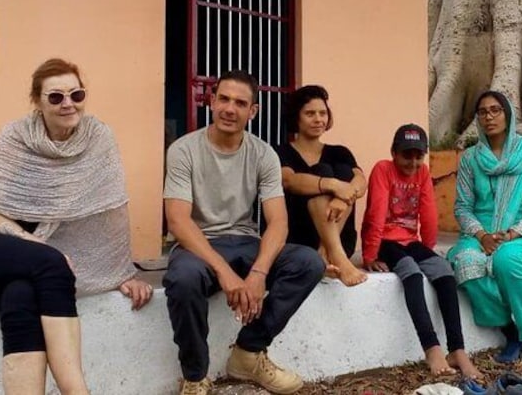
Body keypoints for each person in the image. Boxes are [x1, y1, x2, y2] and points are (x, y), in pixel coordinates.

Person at [0, 58, 152, 395]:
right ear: (37, 102)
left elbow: (108, 212)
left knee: (21, 296)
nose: (68, 103)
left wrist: (120, 271)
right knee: (51, 262)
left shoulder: (98, 138)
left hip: (27, 267)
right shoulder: (16, 137)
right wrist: (31, 243)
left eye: (76, 94)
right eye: (55, 97)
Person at [163, 70, 324, 395]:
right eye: (223, 99)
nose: (229, 109)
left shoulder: (263, 154)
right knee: (182, 279)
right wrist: (225, 273)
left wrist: (259, 272)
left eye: (240, 103)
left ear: (253, 111)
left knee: (308, 262)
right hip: (198, 245)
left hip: (245, 243)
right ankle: (195, 377)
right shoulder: (183, 150)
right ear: (211, 101)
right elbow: (179, 221)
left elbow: (278, 222)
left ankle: (248, 353)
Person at [362, 124, 482, 380]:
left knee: (443, 272)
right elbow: (376, 213)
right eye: (407, 155)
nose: (413, 162)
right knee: (411, 273)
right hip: (384, 239)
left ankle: (457, 350)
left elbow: (428, 211)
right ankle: (432, 349)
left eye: (419, 155)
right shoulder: (383, 169)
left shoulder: (423, 172)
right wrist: (370, 254)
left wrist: (428, 249)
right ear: (394, 153)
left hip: (409, 240)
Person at [446, 91, 522, 363]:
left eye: (496, 110)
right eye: (483, 112)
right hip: (480, 235)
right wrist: (482, 235)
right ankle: (512, 332)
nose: (489, 117)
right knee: (466, 261)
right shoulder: (471, 159)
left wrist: (511, 233)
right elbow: (462, 207)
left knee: (506, 260)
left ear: (508, 115)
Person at [276, 85, 368, 287]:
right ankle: (334, 256)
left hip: (343, 240)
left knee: (345, 171)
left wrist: (342, 198)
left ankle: (326, 253)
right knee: (323, 170)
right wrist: (334, 186)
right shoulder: (280, 152)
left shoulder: (340, 152)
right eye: (310, 113)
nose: (318, 119)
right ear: (296, 118)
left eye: (323, 113)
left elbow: (360, 183)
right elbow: (288, 180)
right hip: (298, 238)